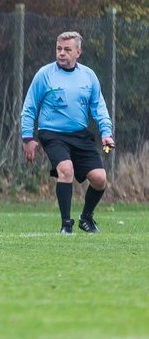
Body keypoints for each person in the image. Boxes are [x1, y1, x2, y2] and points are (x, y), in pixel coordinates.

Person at [21, 30, 114, 234]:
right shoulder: (44, 75)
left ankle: (86, 218)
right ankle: (66, 225)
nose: (61, 53)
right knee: (66, 170)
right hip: (52, 133)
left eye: (67, 50)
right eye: (59, 49)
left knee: (99, 179)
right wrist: (27, 137)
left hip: (79, 135)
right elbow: (29, 107)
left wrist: (106, 132)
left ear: (78, 52)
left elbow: (99, 107)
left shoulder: (88, 76)